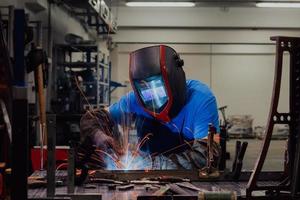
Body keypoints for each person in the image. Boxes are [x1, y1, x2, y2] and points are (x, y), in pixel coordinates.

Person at [78, 45, 220, 170]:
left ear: (174, 82)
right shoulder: (133, 100)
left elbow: (206, 157)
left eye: (159, 89)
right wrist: (100, 137)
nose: (153, 98)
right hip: (146, 181)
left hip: (188, 181)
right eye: (146, 91)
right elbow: (92, 119)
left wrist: (153, 165)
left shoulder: (201, 99)